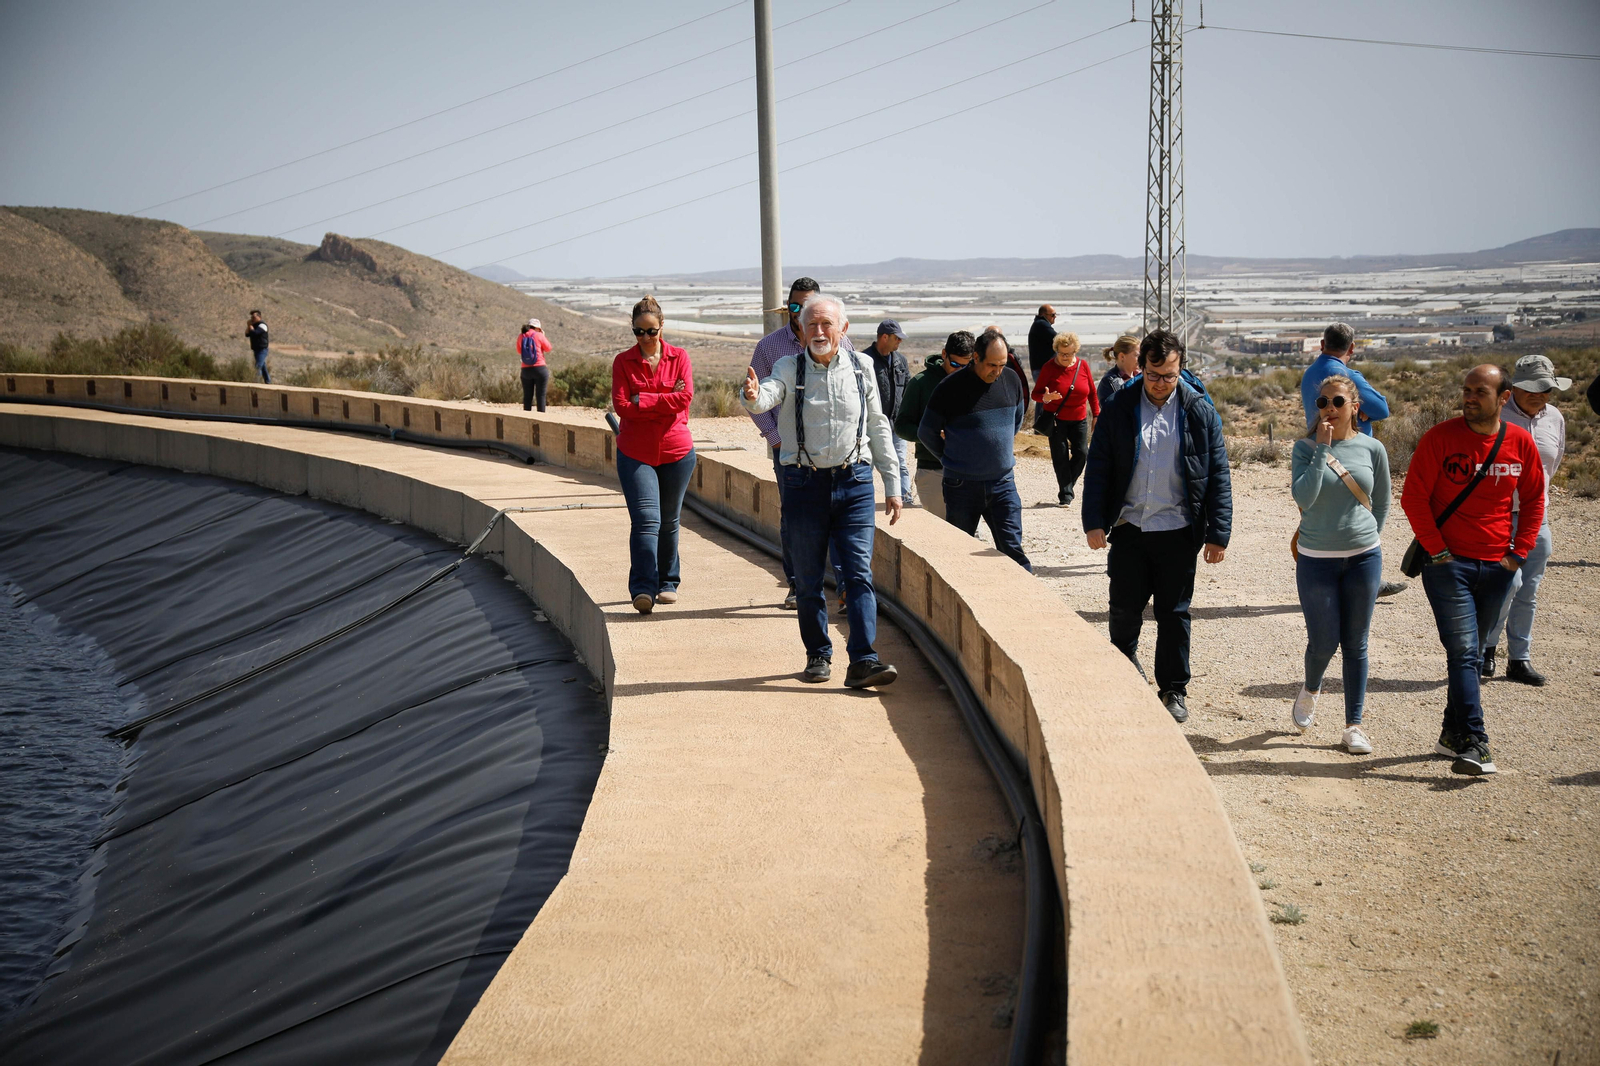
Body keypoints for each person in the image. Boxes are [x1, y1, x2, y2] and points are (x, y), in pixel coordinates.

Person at [741, 293, 901, 688]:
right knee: (809, 577)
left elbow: (878, 425)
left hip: (855, 483)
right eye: (811, 324)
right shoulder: (788, 366)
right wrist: (752, 396)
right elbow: (768, 394)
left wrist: (893, 483)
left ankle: (863, 659)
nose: (819, 331)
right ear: (800, 329)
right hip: (803, 484)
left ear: (843, 329)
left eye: (827, 323)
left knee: (859, 574)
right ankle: (818, 654)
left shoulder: (862, 368)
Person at [1080, 329, 1232, 724]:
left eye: (1169, 376)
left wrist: (1218, 533)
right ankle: (1123, 663)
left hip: (1178, 530)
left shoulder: (1199, 411)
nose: (1161, 383)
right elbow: (1099, 467)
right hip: (1130, 527)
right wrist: (1094, 521)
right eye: (1153, 374)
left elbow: (1217, 474)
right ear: (1140, 367)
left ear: (1181, 369)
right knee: (1124, 607)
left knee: (1174, 614)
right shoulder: (1119, 406)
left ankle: (1173, 689)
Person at [1401, 364, 1545, 777]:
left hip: (1499, 567)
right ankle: (1476, 742)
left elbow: (1535, 499)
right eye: (1466, 390)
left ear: (1504, 398)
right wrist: (1439, 551)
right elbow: (1414, 497)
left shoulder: (1519, 442)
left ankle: (1451, 735)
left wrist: (1518, 554)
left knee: (1472, 653)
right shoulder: (1440, 438)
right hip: (1449, 567)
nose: (1469, 397)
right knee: (1465, 652)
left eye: (1480, 391)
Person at [1289, 374, 1392, 755]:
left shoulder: (1373, 448)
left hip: (1364, 557)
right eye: (1323, 402)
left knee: (1356, 643)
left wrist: (1366, 537)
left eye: (1337, 402)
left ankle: (1354, 725)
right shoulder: (1304, 448)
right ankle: (1311, 687)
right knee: (1322, 643)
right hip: (1316, 559)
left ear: (1355, 407)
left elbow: (1382, 501)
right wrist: (1322, 449)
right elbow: (1305, 497)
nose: (1329, 409)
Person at [748, 277, 852, 610]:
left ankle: (845, 588)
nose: (799, 312)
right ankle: (798, 584)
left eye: (806, 305)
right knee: (795, 518)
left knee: (839, 516)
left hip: (835, 452)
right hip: (791, 454)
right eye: (794, 305)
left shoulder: (841, 342)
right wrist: (775, 439)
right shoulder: (769, 347)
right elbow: (758, 396)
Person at [1481, 354, 1569, 685]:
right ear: (1513, 388)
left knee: (1528, 589)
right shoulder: (1495, 417)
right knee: (1507, 585)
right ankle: (1486, 649)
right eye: (1532, 388)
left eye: (1546, 388)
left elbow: (1552, 463)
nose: (1539, 394)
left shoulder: (1555, 418)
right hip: (1499, 515)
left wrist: (1535, 498)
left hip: (1536, 516)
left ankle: (1519, 659)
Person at [918, 328, 1031, 571]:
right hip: (962, 486)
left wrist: (995, 449)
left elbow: (1016, 421)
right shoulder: (949, 388)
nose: (997, 372)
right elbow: (926, 432)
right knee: (960, 554)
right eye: (992, 365)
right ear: (976, 357)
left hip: (1003, 483)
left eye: (1002, 365)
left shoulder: (1011, 380)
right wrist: (951, 459)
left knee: (1013, 551)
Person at [610, 296, 695, 614]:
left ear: (662, 327)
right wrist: (664, 399)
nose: (645, 337)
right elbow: (622, 407)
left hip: (677, 451)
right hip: (636, 453)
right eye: (639, 331)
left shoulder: (679, 357)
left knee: (669, 521)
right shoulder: (623, 362)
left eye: (651, 331)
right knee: (647, 521)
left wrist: (642, 400)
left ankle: (668, 582)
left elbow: (685, 397)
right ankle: (643, 588)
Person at [894, 331, 975, 521]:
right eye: (955, 364)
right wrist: (931, 434)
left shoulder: (975, 381)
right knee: (941, 532)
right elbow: (902, 426)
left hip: (969, 471)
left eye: (966, 365)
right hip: (933, 470)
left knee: (969, 534)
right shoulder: (920, 383)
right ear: (944, 354)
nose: (960, 370)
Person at [1032, 331, 1100, 507]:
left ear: (1075, 351)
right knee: (1060, 457)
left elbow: (1092, 393)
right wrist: (1046, 398)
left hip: (1079, 419)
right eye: (1061, 353)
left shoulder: (1083, 366)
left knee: (1082, 454)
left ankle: (1066, 485)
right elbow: (1035, 394)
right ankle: (1066, 495)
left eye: (1069, 354)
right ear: (1056, 350)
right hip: (1056, 420)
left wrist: (1096, 415)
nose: (1065, 357)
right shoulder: (1049, 367)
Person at [1299, 323, 1390, 437]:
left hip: (1316, 441)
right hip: (1349, 445)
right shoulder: (1347, 376)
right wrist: (1363, 410)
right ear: (1351, 347)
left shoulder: (1309, 373)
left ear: (1322, 344)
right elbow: (1382, 410)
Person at [864, 319, 913, 505]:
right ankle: (864, 500)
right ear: (884, 337)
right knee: (866, 464)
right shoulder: (865, 360)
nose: (900, 341)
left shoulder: (901, 361)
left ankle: (905, 500)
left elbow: (907, 389)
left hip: (896, 426)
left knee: (899, 463)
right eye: (897, 338)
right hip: (871, 426)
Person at [1027, 304, 1058, 431]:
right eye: (1053, 315)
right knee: (1044, 395)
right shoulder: (1041, 325)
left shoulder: (1039, 325)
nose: (1055, 317)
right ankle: (1041, 427)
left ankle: (1041, 427)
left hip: (1040, 368)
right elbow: (1058, 339)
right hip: (1042, 369)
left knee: (1044, 396)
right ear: (1044, 315)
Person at [1097, 334, 1139, 411]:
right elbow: (1111, 412)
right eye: (1136, 355)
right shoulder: (1108, 382)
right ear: (1122, 356)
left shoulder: (1142, 377)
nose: (1140, 359)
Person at [519, 318, 552, 412]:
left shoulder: (521, 336)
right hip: (540, 368)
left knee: (527, 396)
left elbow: (519, 350)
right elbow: (548, 348)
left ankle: (526, 418)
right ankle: (541, 418)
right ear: (537, 328)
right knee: (541, 395)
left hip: (525, 369)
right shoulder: (539, 335)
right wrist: (543, 336)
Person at [245, 311, 270, 384]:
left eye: (254, 317)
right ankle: (268, 381)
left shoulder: (262, 325)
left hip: (262, 349)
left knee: (258, 366)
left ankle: (256, 382)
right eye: (251, 317)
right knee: (263, 366)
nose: (252, 319)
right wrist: (249, 326)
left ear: (259, 317)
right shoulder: (254, 326)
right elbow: (247, 334)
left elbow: (255, 333)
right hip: (256, 349)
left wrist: (250, 326)